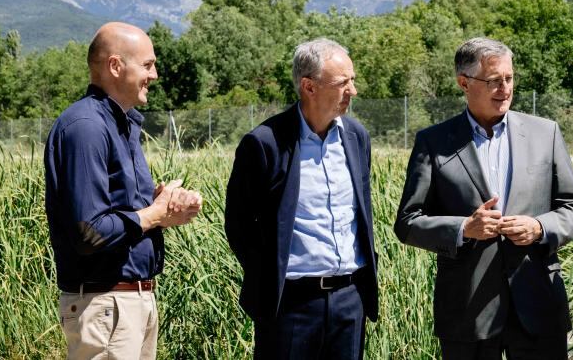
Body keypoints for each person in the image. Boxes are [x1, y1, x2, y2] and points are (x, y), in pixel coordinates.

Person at [395, 37, 573, 359]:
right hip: (467, 311)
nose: (505, 89)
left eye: (509, 78)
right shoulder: (433, 142)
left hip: (538, 305)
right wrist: (463, 229)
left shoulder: (546, 133)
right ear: (464, 83)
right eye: (494, 81)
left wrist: (539, 227)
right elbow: (408, 222)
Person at [44, 22, 202, 359]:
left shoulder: (121, 125)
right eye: (147, 65)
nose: (154, 75)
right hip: (106, 306)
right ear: (115, 66)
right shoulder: (86, 127)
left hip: (128, 303)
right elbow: (89, 232)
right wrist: (153, 214)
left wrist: (164, 207)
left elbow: (124, 214)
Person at [224, 38, 379, 359]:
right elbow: (238, 225)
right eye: (343, 82)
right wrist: (269, 276)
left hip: (349, 301)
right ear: (309, 87)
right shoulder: (265, 143)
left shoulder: (356, 137)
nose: (353, 90)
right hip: (290, 305)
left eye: (352, 80)